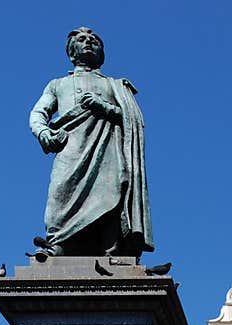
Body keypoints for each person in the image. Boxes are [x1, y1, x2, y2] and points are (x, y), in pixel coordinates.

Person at [29, 27, 153, 260]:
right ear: (71, 51)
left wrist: (102, 106)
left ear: (102, 53)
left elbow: (134, 119)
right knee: (59, 195)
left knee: (111, 195)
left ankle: (112, 249)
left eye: (94, 41)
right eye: (82, 40)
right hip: (71, 149)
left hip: (108, 152)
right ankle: (57, 244)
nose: (88, 43)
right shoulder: (57, 85)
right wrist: (44, 132)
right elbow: (38, 113)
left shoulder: (115, 85)